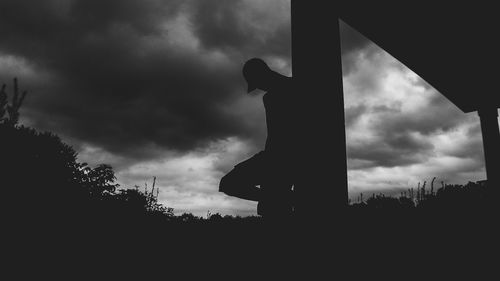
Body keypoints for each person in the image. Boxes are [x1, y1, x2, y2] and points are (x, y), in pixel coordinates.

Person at [219, 58, 296, 217]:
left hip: (282, 158)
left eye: (257, 83)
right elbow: (274, 134)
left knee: (229, 184)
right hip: (274, 156)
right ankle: (285, 198)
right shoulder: (270, 97)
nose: (259, 88)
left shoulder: (288, 90)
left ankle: (283, 199)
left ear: (263, 75)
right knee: (230, 184)